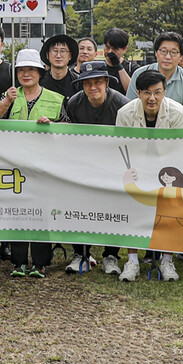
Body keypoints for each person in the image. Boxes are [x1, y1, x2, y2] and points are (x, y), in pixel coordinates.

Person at [0, 49, 64, 278]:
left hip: (43, 165)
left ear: (40, 72)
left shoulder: (56, 98)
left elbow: (68, 130)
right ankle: (18, 262)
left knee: (41, 212)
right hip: (14, 165)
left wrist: (51, 124)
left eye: (31, 69)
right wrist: (7, 101)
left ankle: (40, 262)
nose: (26, 73)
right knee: (17, 212)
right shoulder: (10, 94)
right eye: (21, 70)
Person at [116, 71, 183, 281]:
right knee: (132, 209)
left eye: (158, 92)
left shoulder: (178, 113)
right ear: (137, 93)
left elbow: (178, 150)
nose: (152, 98)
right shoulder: (125, 113)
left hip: (167, 168)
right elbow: (122, 148)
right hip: (136, 168)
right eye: (147, 93)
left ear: (164, 92)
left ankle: (167, 260)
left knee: (170, 212)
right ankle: (132, 261)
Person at [58, 60, 129, 275]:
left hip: (115, 164)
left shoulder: (123, 104)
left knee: (115, 207)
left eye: (98, 82)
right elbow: (66, 132)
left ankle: (111, 254)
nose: (93, 87)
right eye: (87, 83)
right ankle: (81, 253)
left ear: (107, 82)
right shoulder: (73, 103)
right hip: (83, 164)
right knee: (78, 206)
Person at [123, 166, 183, 278]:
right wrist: (129, 184)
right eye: (163, 175)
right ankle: (133, 262)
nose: (165, 177)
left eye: (169, 174)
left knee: (171, 233)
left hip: (177, 227)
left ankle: (167, 262)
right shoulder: (160, 190)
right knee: (136, 215)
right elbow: (143, 197)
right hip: (158, 224)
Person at [126, 32, 183, 104]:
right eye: (163, 51)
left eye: (173, 52)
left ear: (181, 56)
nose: (168, 57)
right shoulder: (139, 74)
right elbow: (130, 106)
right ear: (156, 52)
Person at [39, 33, 79, 98]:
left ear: (70, 56)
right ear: (47, 55)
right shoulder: (40, 80)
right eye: (54, 51)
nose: (58, 55)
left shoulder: (77, 82)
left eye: (63, 51)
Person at [103, 28, 140, 94]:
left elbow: (132, 92)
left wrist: (118, 66)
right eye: (107, 47)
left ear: (125, 49)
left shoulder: (132, 68)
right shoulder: (99, 67)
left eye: (115, 49)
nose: (110, 52)